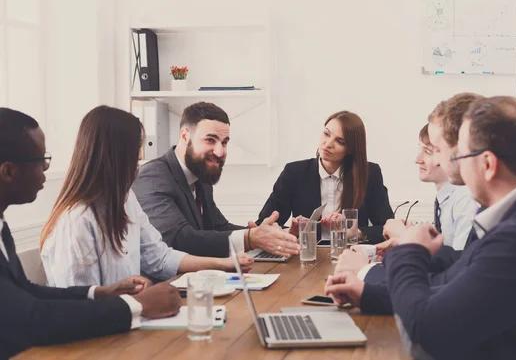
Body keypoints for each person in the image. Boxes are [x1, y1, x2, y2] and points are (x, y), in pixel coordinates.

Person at [329, 96, 516, 359]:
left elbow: (427, 335)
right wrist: (367, 295)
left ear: (487, 164)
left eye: (458, 155)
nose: (451, 164)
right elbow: (457, 284)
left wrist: (410, 250)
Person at [0, 108, 181, 359]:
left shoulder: (1, 225)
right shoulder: (76, 220)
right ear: (8, 171)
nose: (45, 169)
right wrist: (138, 305)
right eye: (40, 161)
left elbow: (26, 291)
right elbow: (32, 318)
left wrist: (100, 292)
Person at [40, 106, 253, 288]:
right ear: (111, 153)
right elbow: (84, 307)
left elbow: (159, 258)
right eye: (135, 147)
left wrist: (225, 264)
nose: (140, 156)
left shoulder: (127, 200)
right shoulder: (77, 221)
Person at [327, 93, 482, 315]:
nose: (424, 159)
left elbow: (450, 289)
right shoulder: (461, 200)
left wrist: (367, 270)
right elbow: (454, 264)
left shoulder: (469, 201)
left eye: (434, 150)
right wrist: (406, 247)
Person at [133, 102, 300, 259]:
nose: (220, 152)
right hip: (161, 284)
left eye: (224, 142)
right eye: (210, 140)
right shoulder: (153, 175)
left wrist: (274, 235)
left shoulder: (201, 176)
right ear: (184, 136)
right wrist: (251, 238)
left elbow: (218, 227)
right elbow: (178, 239)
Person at [256, 110, 394, 243]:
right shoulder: (294, 172)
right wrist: (291, 232)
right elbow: (265, 224)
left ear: (351, 149)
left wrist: (357, 234)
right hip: (306, 256)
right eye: (326, 134)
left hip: (350, 255)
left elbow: (387, 227)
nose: (327, 144)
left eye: (340, 141)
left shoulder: (370, 173)